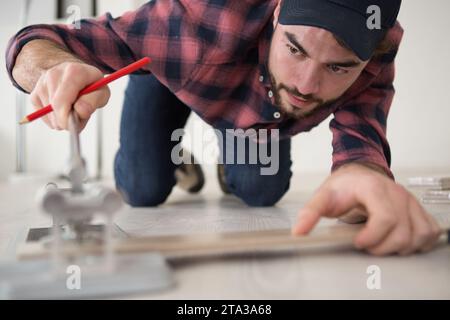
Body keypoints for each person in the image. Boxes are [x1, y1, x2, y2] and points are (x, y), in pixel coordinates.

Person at [6, 0, 442, 256]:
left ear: (370, 58)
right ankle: (179, 159)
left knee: (260, 192)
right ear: (275, 16)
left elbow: (359, 152)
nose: (307, 86)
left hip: (249, 116)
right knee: (142, 189)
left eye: (338, 67)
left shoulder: (377, 45)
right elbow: (36, 39)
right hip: (169, 78)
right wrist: (56, 68)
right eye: (295, 49)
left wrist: (365, 177)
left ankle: (228, 156)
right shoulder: (200, 17)